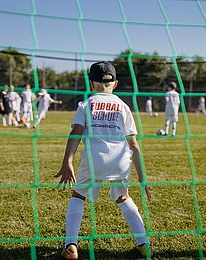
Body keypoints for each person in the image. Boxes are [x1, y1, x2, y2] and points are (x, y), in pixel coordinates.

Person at [55, 61, 151, 259]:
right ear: (114, 84)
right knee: (123, 197)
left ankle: (71, 245)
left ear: (91, 83)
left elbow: (76, 133)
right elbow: (134, 144)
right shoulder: (123, 106)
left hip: (94, 159)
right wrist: (142, 178)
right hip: (121, 160)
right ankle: (144, 243)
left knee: (78, 196)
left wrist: (67, 162)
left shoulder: (86, 104)